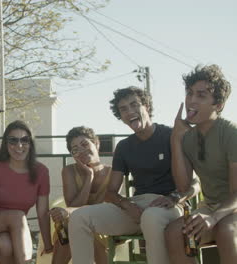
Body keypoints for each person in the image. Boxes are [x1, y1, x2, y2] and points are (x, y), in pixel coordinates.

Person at [68, 87, 188, 264]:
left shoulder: (170, 135)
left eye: (134, 105)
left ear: (146, 106)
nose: (129, 111)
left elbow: (194, 182)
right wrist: (126, 204)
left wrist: (174, 197)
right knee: (79, 217)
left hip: (170, 205)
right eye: (123, 109)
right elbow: (111, 193)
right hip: (136, 208)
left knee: (151, 217)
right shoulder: (124, 147)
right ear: (120, 115)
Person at [166, 64, 237, 264]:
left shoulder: (231, 133)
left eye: (201, 95)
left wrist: (213, 218)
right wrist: (175, 140)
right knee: (174, 232)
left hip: (232, 208)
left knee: (226, 231)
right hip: (212, 207)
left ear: (218, 105)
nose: (192, 100)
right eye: (189, 93)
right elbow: (182, 186)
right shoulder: (187, 137)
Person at [0, 120, 52, 264]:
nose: (19, 146)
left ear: (30, 144)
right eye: (13, 140)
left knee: (4, 246)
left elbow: (43, 213)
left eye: (24, 140)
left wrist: (48, 244)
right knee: (17, 216)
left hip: (13, 230)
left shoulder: (41, 172)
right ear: (6, 144)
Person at [49, 126, 110, 264]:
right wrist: (89, 177)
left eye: (84, 144)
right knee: (71, 227)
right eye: (75, 149)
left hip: (102, 225)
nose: (81, 150)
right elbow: (73, 207)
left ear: (97, 143)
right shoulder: (69, 171)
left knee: (80, 228)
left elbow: (103, 210)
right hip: (72, 224)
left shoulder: (112, 173)